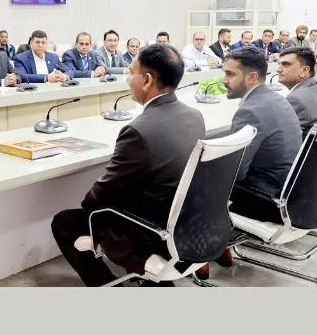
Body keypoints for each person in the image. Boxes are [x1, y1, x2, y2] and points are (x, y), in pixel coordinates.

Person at [51, 44, 206, 287]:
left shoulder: (138, 131)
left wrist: (89, 205)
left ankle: (107, 285)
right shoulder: (194, 116)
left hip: (151, 231)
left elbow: (99, 196)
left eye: (131, 72)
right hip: (187, 224)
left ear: (147, 80)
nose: (127, 78)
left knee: (65, 222)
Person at [221, 47, 302, 223]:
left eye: (230, 74)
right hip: (292, 190)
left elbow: (236, 173)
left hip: (267, 199)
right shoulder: (278, 99)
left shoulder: (250, 112)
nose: (224, 80)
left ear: (251, 77)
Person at [277, 47, 317, 136]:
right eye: (279, 64)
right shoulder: (314, 86)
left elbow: (284, 138)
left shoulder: (295, 99)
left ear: (304, 71)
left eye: (286, 64)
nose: (278, 69)